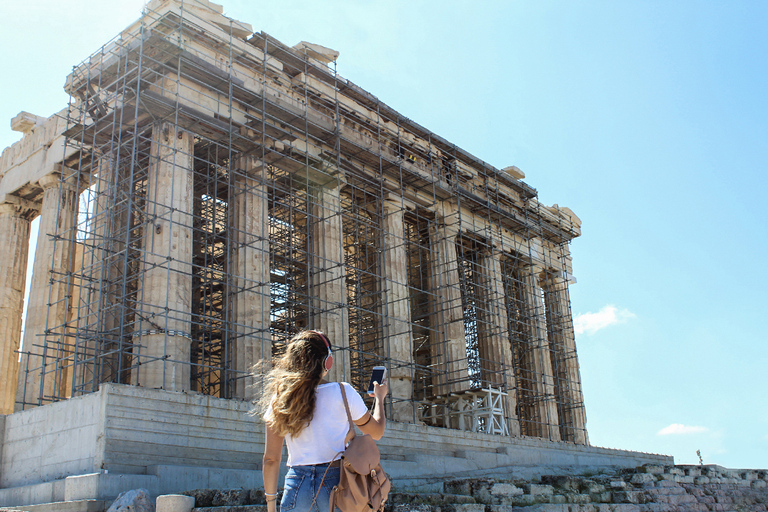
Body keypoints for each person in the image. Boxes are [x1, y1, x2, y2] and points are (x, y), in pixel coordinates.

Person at [259, 330, 388, 512]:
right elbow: (376, 432)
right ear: (328, 361)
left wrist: (271, 506)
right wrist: (380, 399)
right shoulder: (343, 392)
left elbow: (271, 459)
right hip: (337, 484)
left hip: (296, 487)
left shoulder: (279, 400)